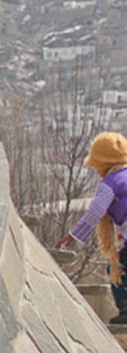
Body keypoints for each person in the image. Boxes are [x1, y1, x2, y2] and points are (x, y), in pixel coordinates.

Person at [57, 132, 127, 324]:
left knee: (117, 270)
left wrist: (72, 236)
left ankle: (126, 311)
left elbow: (94, 213)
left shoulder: (110, 183)